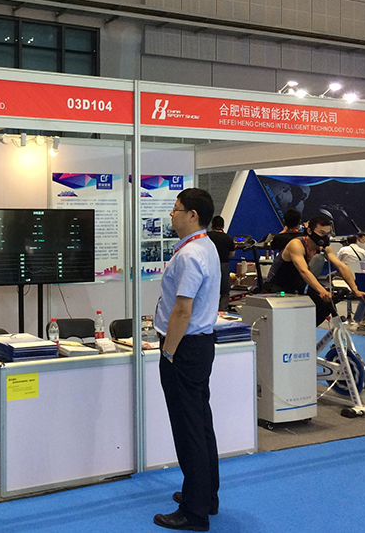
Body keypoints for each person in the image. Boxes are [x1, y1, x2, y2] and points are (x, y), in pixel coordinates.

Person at [153, 188, 220, 532]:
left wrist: (168, 352)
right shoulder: (205, 246)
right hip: (199, 346)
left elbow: (182, 310)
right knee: (201, 423)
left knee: (188, 429)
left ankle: (195, 512)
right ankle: (206, 495)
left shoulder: (191, 254)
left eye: (176, 209)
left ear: (192, 215)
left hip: (184, 349)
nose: (171, 215)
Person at [262, 215, 365, 326]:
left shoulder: (324, 246)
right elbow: (303, 271)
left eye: (327, 234)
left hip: (296, 285)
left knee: (324, 306)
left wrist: (355, 289)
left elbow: (341, 266)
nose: (325, 237)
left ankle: (305, 330)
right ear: (309, 231)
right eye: (322, 233)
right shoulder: (296, 245)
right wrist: (322, 291)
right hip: (276, 287)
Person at [207, 216, 235, 312]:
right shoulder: (228, 238)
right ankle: (223, 310)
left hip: (209, 265)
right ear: (223, 226)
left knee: (209, 289)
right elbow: (232, 254)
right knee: (225, 291)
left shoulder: (207, 236)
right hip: (223, 265)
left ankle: (209, 310)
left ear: (212, 225)